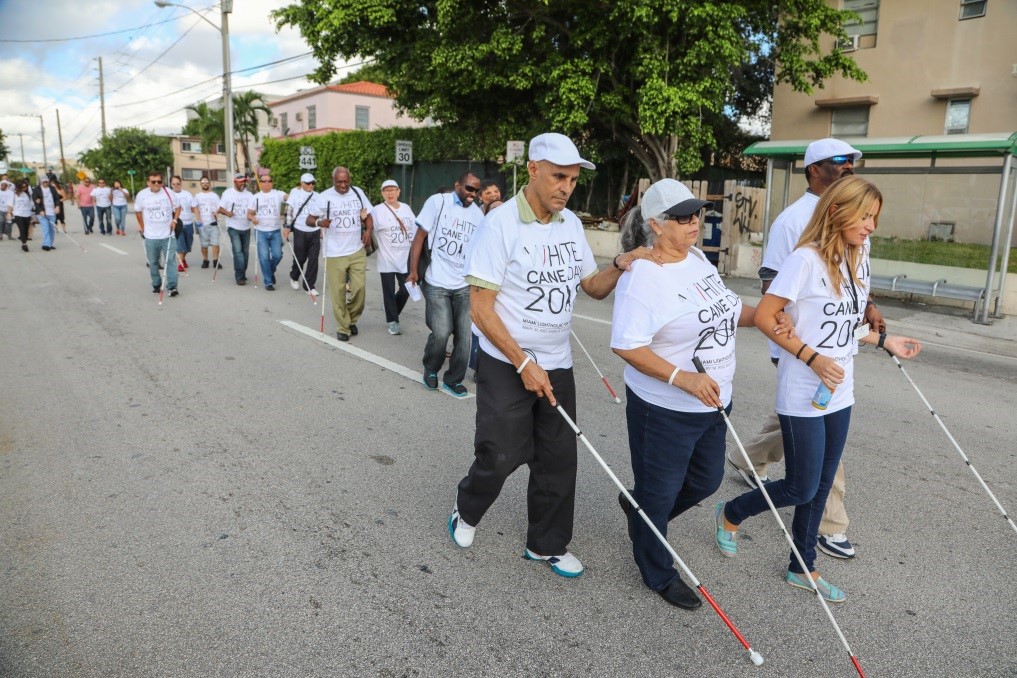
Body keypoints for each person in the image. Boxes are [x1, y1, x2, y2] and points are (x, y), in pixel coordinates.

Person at [448, 133, 660, 578]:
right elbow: (481, 307)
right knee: (502, 454)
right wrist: (524, 363)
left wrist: (623, 264)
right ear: (532, 171)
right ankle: (466, 508)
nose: (566, 187)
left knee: (558, 459)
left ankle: (546, 545)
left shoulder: (569, 225)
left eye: (573, 179)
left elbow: (591, 288)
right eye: (558, 176)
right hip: (508, 361)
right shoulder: (500, 224)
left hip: (557, 362)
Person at [716, 175, 922, 603]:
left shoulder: (859, 257)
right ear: (836, 211)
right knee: (800, 486)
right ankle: (733, 512)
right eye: (864, 216)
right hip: (802, 391)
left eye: (874, 218)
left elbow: (845, 325)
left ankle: (802, 565)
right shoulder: (804, 261)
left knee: (823, 483)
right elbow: (767, 316)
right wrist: (812, 357)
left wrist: (885, 341)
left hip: (841, 389)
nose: (870, 226)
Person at [609, 179, 790, 610]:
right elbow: (626, 344)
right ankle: (657, 569)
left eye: (698, 214)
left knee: (706, 480)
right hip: (665, 408)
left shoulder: (697, 260)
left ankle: (642, 515)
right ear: (655, 224)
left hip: (714, 403)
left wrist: (769, 318)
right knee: (660, 492)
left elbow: (727, 310)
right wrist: (682, 378)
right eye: (683, 217)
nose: (695, 223)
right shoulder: (644, 277)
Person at [728, 137, 883, 560]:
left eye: (853, 162)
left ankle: (803, 557)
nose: (849, 167)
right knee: (807, 476)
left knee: (813, 460)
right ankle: (826, 527)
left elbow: (854, 286)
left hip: (837, 364)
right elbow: (773, 299)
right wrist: (801, 349)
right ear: (814, 169)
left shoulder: (857, 234)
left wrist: (868, 316)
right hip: (802, 356)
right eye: (840, 162)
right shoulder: (793, 224)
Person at [406, 171, 484, 396]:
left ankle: (453, 378)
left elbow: (481, 249)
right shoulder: (437, 202)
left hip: (463, 285)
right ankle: (431, 368)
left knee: (464, 335)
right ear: (458, 185)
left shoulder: (478, 215)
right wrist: (413, 271)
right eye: (470, 188)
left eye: (477, 191)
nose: (473, 194)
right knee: (441, 331)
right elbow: (420, 237)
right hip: (436, 280)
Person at [305, 167, 373, 341]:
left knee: (359, 289)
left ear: (349, 178)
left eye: (346, 181)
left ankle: (350, 319)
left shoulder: (358, 192)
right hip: (334, 252)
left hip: (356, 249)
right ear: (332, 179)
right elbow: (309, 219)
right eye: (339, 182)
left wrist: (368, 230)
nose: (343, 185)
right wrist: (320, 222)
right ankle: (343, 327)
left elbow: (368, 214)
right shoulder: (323, 197)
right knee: (338, 292)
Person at [369, 179, 416, 335]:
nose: (390, 193)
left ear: (398, 191)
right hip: (387, 258)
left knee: (407, 289)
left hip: (405, 258)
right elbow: (368, 227)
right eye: (386, 190)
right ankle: (392, 321)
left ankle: (391, 309)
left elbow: (415, 230)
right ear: (382, 193)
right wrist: (364, 218)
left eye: (393, 190)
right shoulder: (377, 210)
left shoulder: (406, 208)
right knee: (388, 291)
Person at [134, 170, 181, 296]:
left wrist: (175, 220)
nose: (156, 184)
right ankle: (156, 283)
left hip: (168, 235)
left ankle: (172, 286)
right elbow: (138, 211)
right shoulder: (142, 195)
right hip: (151, 236)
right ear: (148, 183)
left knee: (170, 260)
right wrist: (142, 226)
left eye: (159, 181)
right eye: (153, 181)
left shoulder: (168, 192)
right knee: (153, 262)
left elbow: (178, 207)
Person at [247, 171, 288, 291]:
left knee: (277, 255)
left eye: (269, 181)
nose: (267, 183)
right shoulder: (255, 197)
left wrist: (296, 194)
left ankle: (269, 272)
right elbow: (249, 214)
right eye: (264, 181)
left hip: (275, 230)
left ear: (272, 183)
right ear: (260, 183)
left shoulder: (278, 194)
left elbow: (288, 197)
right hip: (261, 231)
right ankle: (268, 281)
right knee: (264, 257)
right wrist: (253, 218)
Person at [285, 173, 320, 294]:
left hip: (314, 231)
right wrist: (287, 227)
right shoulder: (295, 193)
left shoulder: (318, 196)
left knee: (314, 259)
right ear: (302, 183)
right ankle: (294, 276)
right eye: (308, 183)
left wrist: (322, 229)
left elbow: (323, 213)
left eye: (313, 183)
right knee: (300, 258)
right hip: (300, 230)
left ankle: (309, 286)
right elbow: (289, 211)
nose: (311, 185)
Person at [218, 174, 254, 285]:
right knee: (238, 252)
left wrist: (253, 214)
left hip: (246, 227)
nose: (243, 183)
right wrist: (227, 213)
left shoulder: (249, 195)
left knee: (245, 253)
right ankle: (239, 276)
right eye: (240, 181)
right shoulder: (227, 193)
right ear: (235, 182)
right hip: (233, 227)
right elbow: (220, 209)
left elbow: (253, 210)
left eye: (244, 181)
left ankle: (242, 272)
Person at [169, 176, 199, 272]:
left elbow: (194, 207)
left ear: (181, 184)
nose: (176, 185)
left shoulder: (187, 194)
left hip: (189, 223)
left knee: (188, 245)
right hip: (177, 224)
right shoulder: (169, 195)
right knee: (181, 245)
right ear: (171, 184)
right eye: (174, 184)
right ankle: (181, 264)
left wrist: (198, 218)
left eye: (178, 183)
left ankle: (183, 258)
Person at [192, 177, 221, 269]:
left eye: (207, 182)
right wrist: (198, 218)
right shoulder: (197, 196)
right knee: (204, 244)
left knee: (215, 243)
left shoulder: (214, 195)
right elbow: (194, 208)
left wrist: (216, 213)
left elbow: (219, 207)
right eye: (203, 182)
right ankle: (205, 260)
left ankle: (216, 261)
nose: (205, 184)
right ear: (200, 184)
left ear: (209, 184)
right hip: (202, 223)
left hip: (213, 223)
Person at [31, 176, 61, 251]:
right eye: (43, 182)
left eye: (46, 181)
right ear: (41, 182)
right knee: (45, 228)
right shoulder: (36, 189)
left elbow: (57, 198)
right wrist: (40, 210)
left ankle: (50, 244)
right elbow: (35, 201)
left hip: (51, 212)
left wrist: (57, 206)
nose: (45, 183)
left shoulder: (52, 188)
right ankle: (46, 244)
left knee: (51, 228)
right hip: (42, 212)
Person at [11, 179, 33, 251]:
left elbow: (31, 204)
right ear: (19, 187)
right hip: (18, 214)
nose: (25, 188)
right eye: (23, 187)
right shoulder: (14, 194)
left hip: (27, 214)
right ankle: (24, 244)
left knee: (26, 231)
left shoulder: (28, 194)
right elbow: (10, 204)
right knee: (22, 229)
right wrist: (9, 213)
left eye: (26, 187)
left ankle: (24, 241)